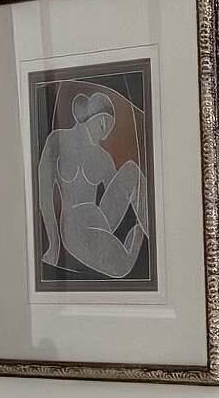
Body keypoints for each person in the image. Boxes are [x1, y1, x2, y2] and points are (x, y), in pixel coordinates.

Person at [35, 85, 151, 284]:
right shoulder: (57, 140)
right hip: (75, 227)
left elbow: (117, 200)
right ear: (93, 116)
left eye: (111, 125)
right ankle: (135, 242)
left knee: (131, 170)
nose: (106, 131)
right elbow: (44, 196)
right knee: (121, 265)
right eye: (104, 121)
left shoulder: (103, 157)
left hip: (102, 220)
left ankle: (155, 235)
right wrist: (54, 244)